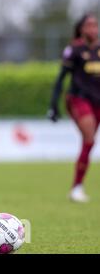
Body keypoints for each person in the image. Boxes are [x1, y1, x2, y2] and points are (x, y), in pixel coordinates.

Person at [48, 13, 100, 203]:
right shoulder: (74, 50)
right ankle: (77, 188)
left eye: (95, 25)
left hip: (97, 101)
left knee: (90, 142)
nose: (93, 29)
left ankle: (77, 186)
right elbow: (61, 78)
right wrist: (53, 105)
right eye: (89, 25)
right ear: (81, 28)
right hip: (78, 98)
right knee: (89, 137)